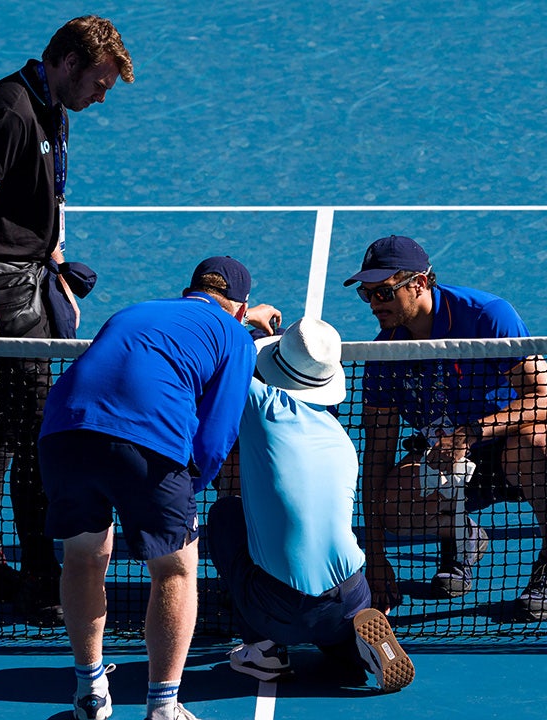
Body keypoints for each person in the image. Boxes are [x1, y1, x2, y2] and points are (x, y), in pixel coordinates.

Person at [0, 15, 135, 624]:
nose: (102, 94)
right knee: (37, 437)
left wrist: (58, 262)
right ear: (68, 63)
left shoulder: (54, 108)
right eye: (99, 81)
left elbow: (41, 198)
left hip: (30, 281)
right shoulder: (9, 111)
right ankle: (42, 583)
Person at [38, 257, 261, 720]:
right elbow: (217, 434)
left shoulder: (136, 311)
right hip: (147, 443)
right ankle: (163, 708)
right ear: (240, 309)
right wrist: (187, 490)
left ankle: (90, 695)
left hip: (63, 433)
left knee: (82, 560)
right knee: (174, 570)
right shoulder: (238, 337)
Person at [345, 234, 547, 622]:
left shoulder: (486, 315)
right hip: (447, 461)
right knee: (392, 504)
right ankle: (462, 535)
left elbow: (542, 396)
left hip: (509, 444)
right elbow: (378, 453)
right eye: (366, 295)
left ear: (418, 283)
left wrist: (471, 434)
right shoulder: (384, 354)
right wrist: (375, 555)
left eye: (383, 293)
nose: (373, 305)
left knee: (536, 445)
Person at [207, 317, 414, 693]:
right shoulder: (341, 442)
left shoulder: (261, 407)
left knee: (224, 515)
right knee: (328, 627)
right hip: (353, 593)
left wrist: (245, 319)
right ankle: (356, 646)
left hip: (283, 608)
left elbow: (225, 356)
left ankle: (264, 649)